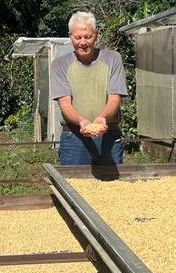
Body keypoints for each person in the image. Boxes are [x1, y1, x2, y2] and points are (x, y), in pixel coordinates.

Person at [51, 11, 128, 166]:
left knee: (113, 188)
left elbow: (114, 98)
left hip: (109, 134)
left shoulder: (113, 59)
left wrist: (102, 118)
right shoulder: (59, 64)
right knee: (73, 186)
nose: (83, 42)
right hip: (74, 136)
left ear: (96, 35)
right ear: (70, 37)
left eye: (88, 37)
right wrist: (82, 122)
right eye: (77, 37)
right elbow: (65, 104)